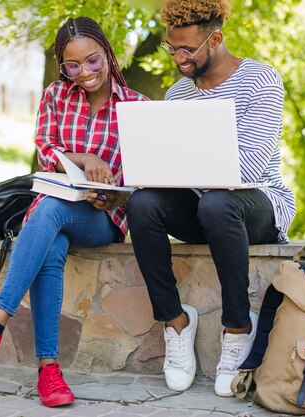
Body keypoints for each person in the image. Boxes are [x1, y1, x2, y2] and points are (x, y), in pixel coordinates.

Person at [0, 17, 146, 408]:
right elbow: (44, 150)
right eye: (73, 65)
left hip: (104, 219)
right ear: (62, 66)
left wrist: (114, 196)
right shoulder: (55, 96)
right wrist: (82, 157)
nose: (84, 73)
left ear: (107, 53)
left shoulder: (137, 107)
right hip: (55, 209)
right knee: (51, 234)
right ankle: (49, 372)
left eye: (93, 61)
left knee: (48, 211)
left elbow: (148, 181)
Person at [125, 0, 296, 397]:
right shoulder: (177, 95)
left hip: (259, 204)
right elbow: (172, 170)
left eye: (188, 49)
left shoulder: (261, 80)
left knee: (216, 201)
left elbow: (252, 168)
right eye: (173, 48)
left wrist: (190, 175)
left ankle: (238, 328)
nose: (179, 57)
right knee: (143, 203)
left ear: (215, 39)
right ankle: (175, 322)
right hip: (204, 206)